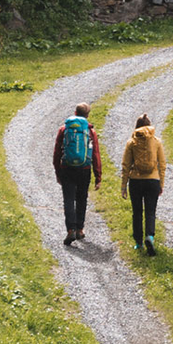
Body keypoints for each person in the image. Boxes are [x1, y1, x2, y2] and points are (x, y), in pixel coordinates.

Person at [53, 103, 102, 246]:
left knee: (68, 199)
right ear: (87, 115)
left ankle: (70, 230)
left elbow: (57, 152)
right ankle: (80, 229)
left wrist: (58, 171)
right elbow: (96, 154)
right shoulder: (90, 131)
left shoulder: (64, 129)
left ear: (75, 112)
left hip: (67, 168)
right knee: (82, 198)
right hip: (84, 169)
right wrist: (98, 176)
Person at [120, 114, 165, 256]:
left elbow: (126, 165)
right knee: (150, 211)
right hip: (153, 181)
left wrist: (123, 186)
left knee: (137, 212)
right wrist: (161, 183)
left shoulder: (131, 142)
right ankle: (150, 236)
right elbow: (162, 164)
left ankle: (138, 242)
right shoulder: (156, 142)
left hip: (136, 181)